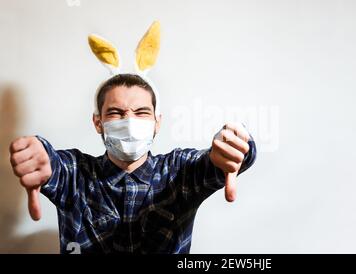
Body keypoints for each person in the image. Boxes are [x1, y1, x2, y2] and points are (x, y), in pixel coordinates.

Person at [8, 21, 257, 254]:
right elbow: (53, 164)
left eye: (141, 112)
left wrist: (236, 145)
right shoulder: (76, 174)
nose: (129, 121)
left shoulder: (178, 172)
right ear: (98, 122)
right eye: (116, 113)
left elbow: (215, 162)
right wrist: (39, 152)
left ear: (157, 122)